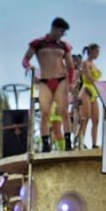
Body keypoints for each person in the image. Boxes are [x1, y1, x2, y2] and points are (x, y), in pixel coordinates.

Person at [23, 17, 75, 152]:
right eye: (62, 31)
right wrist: (28, 66)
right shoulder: (37, 43)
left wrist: (72, 82)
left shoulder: (64, 45)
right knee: (45, 113)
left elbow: (70, 65)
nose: (63, 34)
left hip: (61, 80)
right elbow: (25, 59)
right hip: (45, 81)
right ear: (55, 28)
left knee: (64, 111)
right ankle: (45, 144)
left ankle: (68, 142)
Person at [79, 43, 102, 149]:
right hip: (86, 90)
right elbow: (88, 77)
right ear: (91, 51)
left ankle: (94, 143)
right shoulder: (85, 63)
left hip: (94, 91)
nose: (98, 54)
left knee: (96, 120)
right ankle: (80, 141)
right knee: (85, 118)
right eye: (96, 51)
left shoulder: (94, 64)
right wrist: (100, 85)